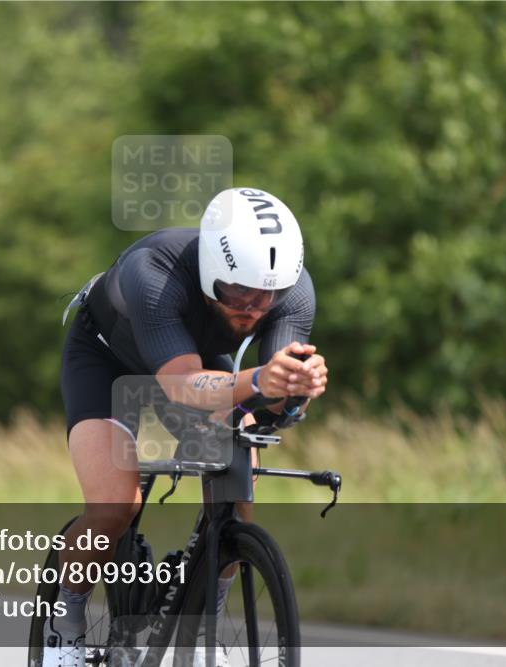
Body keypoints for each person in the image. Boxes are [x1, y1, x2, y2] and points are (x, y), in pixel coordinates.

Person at [45, 187, 329, 667]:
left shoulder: (291, 291)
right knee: (115, 506)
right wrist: (260, 379)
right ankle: (65, 622)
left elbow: (269, 401)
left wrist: (295, 390)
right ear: (210, 270)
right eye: (238, 291)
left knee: (240, 495)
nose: (255, 308)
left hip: (194, 361)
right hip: (109, 360)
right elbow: (181, 385)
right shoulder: (153, 270)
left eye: (269, 294)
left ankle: (202, 625)